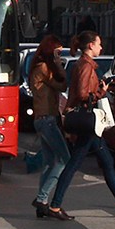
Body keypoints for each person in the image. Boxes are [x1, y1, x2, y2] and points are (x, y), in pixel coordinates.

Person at [47, 30, 115, 221]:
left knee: (107, 162)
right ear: (91, 45)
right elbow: (83, 94)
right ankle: (55, 205)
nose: (101, 47)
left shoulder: (86, 65)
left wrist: (99, 86)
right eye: (99, 44)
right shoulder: (85, 66)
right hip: (87, 121)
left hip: (89, 122)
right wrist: (102, 90)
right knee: (75, 164)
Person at [29, 34, 70, 218]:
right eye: (57, 52)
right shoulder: (44, 68)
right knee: (64, 158)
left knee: (48, 162)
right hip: (47, 119)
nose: (59, 56)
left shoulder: (40, 67)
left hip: (42, 118)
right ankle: (42, 197)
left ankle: (41, 206)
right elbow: (61, 85)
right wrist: (59, 66)